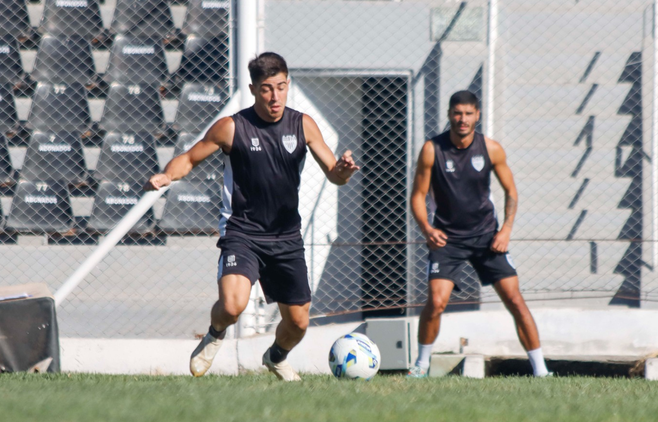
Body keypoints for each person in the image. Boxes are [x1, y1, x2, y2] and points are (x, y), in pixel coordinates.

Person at [146, 52, 360, 381]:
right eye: (266, 89)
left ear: (287, 85)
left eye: (280, 87)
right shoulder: (232, 128)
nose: (275, 96)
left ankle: (276, 356)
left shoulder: (303, 125)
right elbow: (189, 158)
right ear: (253, 89)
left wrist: (343, 171)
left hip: (286, 237)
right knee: (232, 307)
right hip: (242, 233)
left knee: (298, 323)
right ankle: (214, 334)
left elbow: (334, 173)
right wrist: (166, 176)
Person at [406, 90, 550, 378]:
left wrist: (506, 229)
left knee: (515, 300)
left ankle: (541, 370)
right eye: (457, 113)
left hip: (487, 237)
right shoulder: (432, 149)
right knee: (436, 302)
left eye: (468, 113)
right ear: (449, 115)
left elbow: (511, 192)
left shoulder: (492, 149)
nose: (463, 119)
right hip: (447, 239)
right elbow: (417, 196)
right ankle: (421, 365)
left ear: (478, 115)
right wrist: (427, 229)